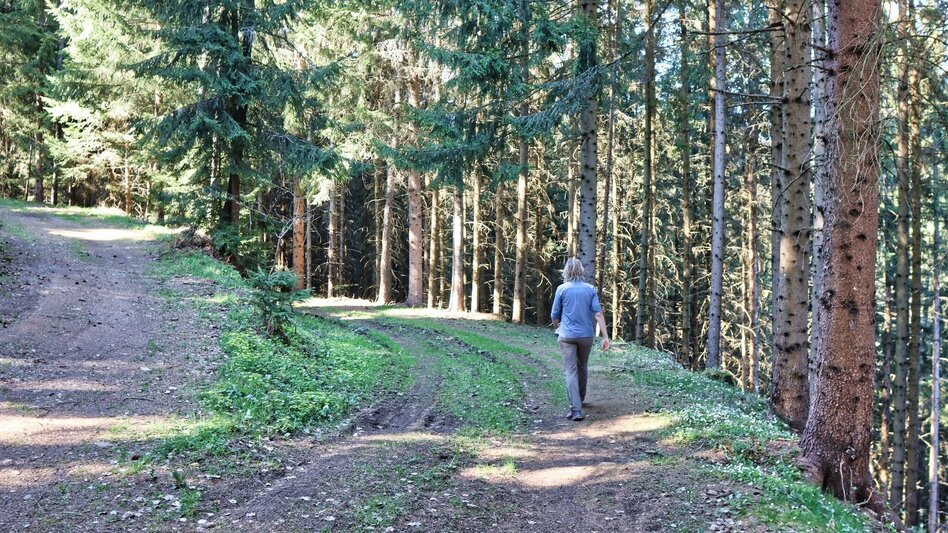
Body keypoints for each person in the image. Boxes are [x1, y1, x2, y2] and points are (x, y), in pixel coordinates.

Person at [550, 258, 610, 422]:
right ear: (581, 271)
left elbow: (554, 315)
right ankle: (580, 399)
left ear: (566, 272)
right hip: (586, 335)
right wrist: (605, 337)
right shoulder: (590, 289)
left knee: (570, 370)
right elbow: (598, 313)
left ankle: (576, 409)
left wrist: (558, 326)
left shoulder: (561, 289)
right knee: (582, 365)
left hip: (567, 336)